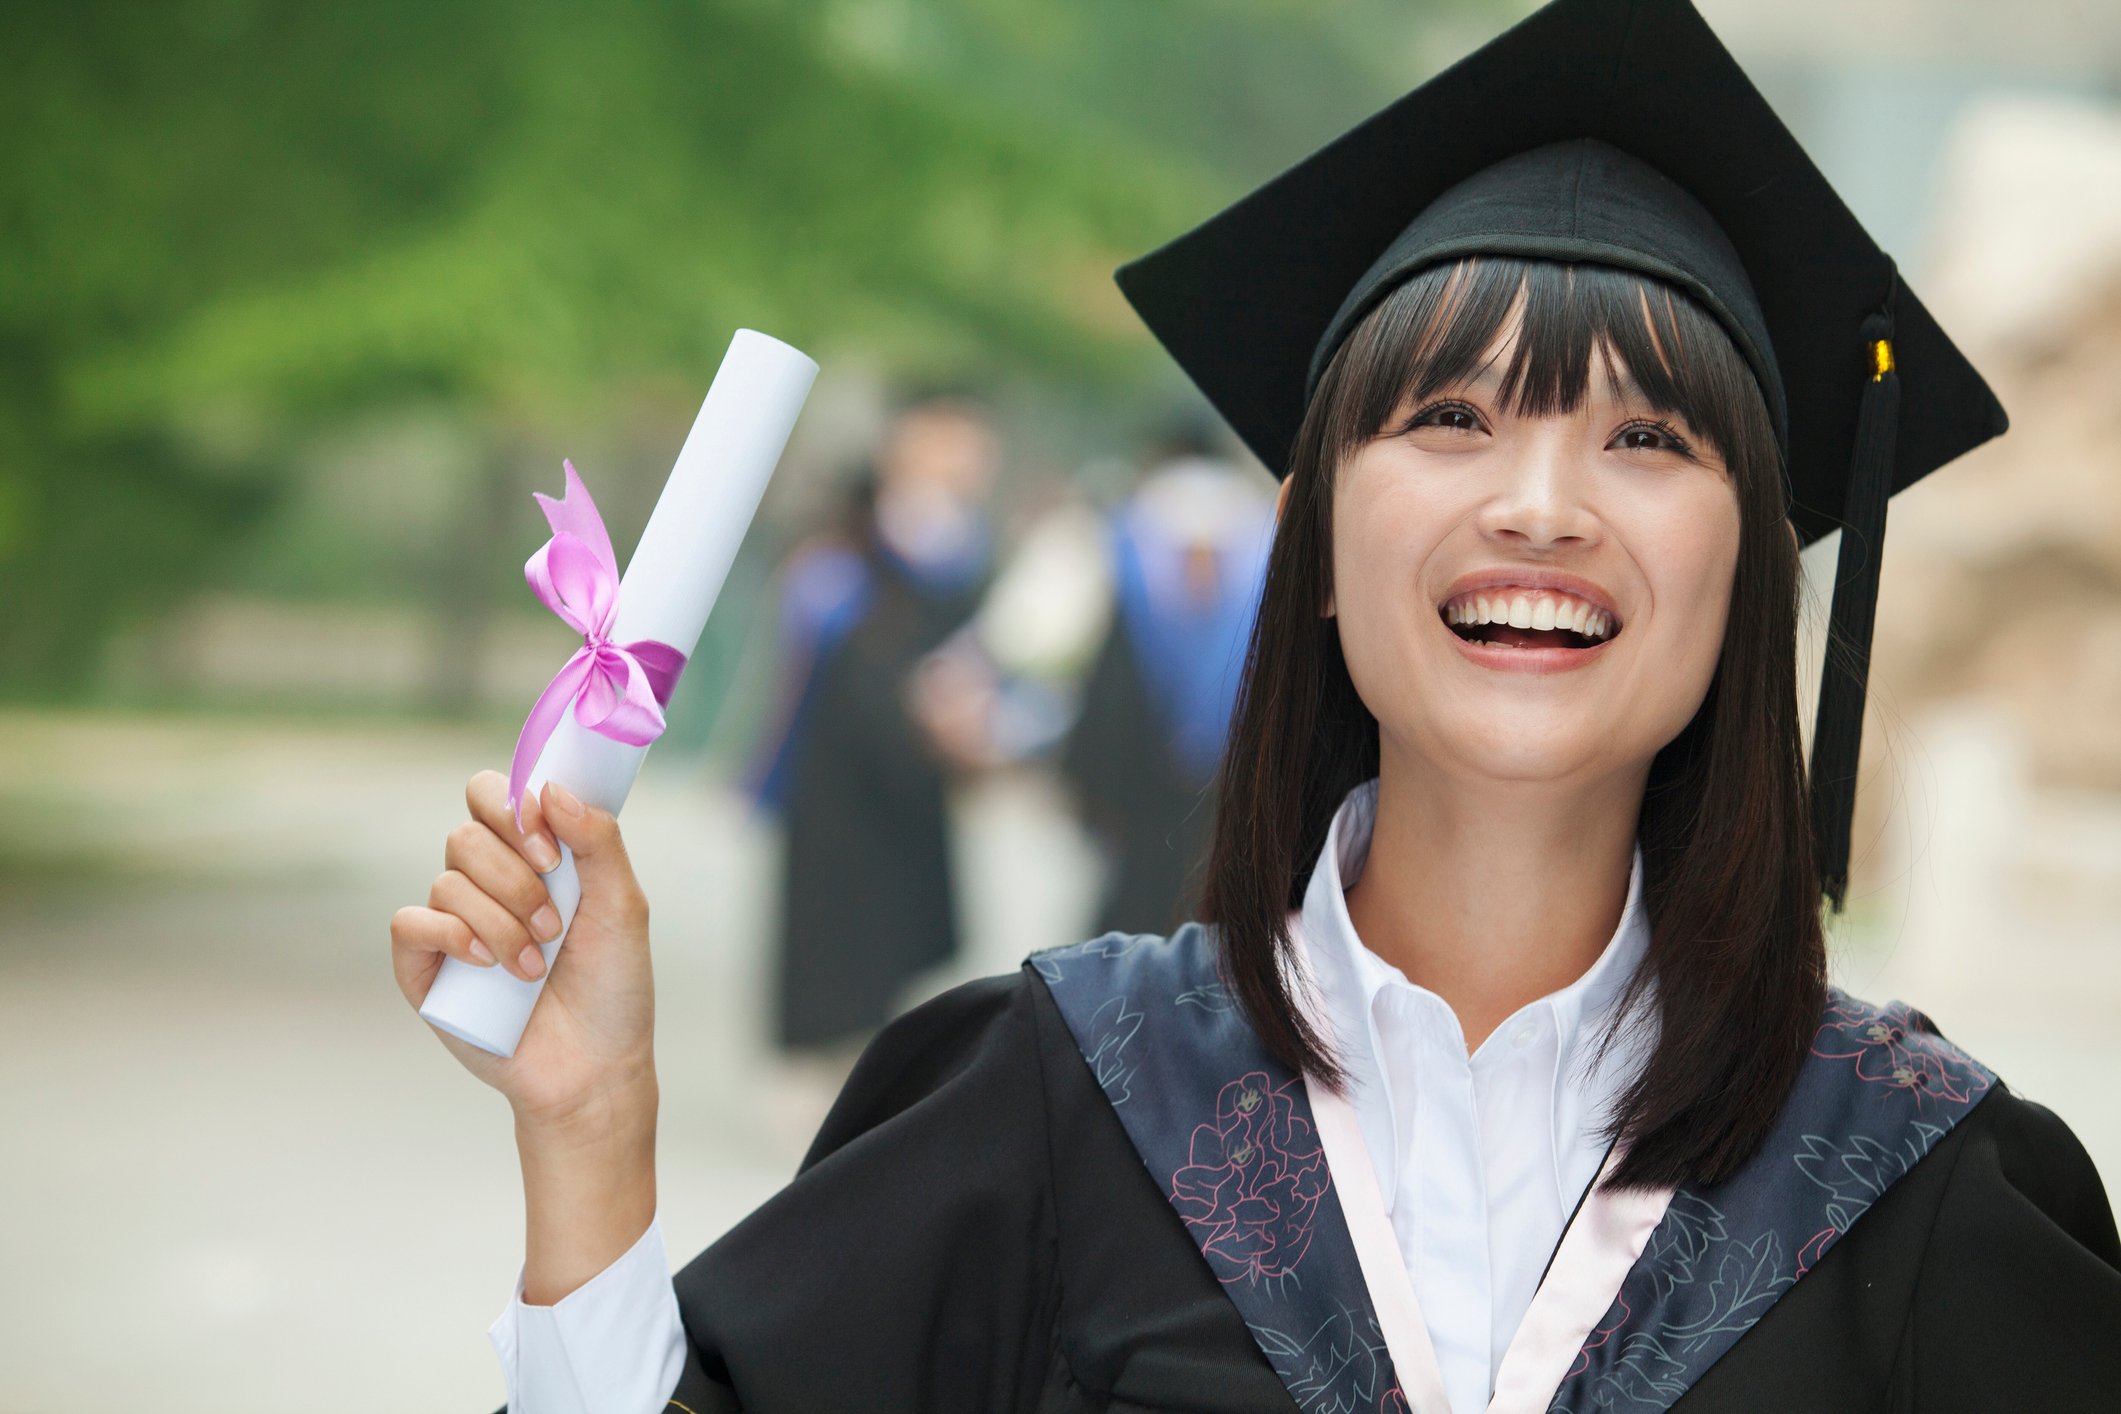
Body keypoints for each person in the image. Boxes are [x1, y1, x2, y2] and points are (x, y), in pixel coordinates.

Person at [387, 0, 2121, 1409]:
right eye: (1448, 417)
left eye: (1649, 439)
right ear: (1308, 528)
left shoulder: (1914, 1178)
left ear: (1754, 560)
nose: (1540, 501)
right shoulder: (1063, 1101)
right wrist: (592, 1129)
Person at [743, 390, 997, 1052]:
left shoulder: (970, 547)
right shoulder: (844, 543)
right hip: (840, 763)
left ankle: (875, 1049)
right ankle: (812, 1056)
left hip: (913, 771)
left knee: (899, 923)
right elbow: (814, 647)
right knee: (827, 919)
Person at [1062, 413, 1276, 933]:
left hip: (1143, 758)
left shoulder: (1133, 528)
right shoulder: (1260, 524)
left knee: (1141, 898)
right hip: (1233, 764)